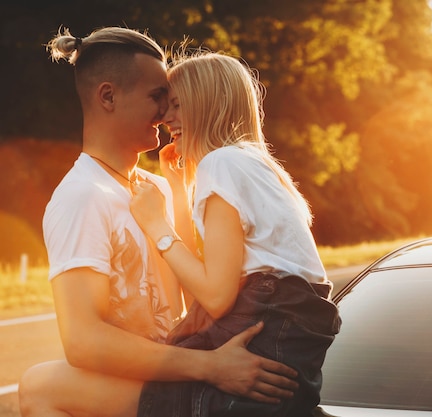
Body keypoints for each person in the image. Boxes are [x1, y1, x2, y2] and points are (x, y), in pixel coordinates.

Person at [18, 26, 298, 417]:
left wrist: (179, 195)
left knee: (40, 386)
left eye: (170, 100)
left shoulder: (157, 189)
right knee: (37, 387)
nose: (167, 113)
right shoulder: (81, 196)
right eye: (157, 97)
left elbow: (201, 295)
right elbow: (81, 341)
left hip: (174, 372)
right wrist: (211, 367)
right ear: (108, 97)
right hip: (162, 377)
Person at [128, 50, 341, 416]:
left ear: (208, 104)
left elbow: (215, 296)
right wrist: (178, 190)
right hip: (284, 342)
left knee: (121, 389)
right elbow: (204, 276)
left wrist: (154, 224)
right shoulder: (254, 163)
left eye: (177, 105)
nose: (166, 120)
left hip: (265, 333)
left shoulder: (222, 163)